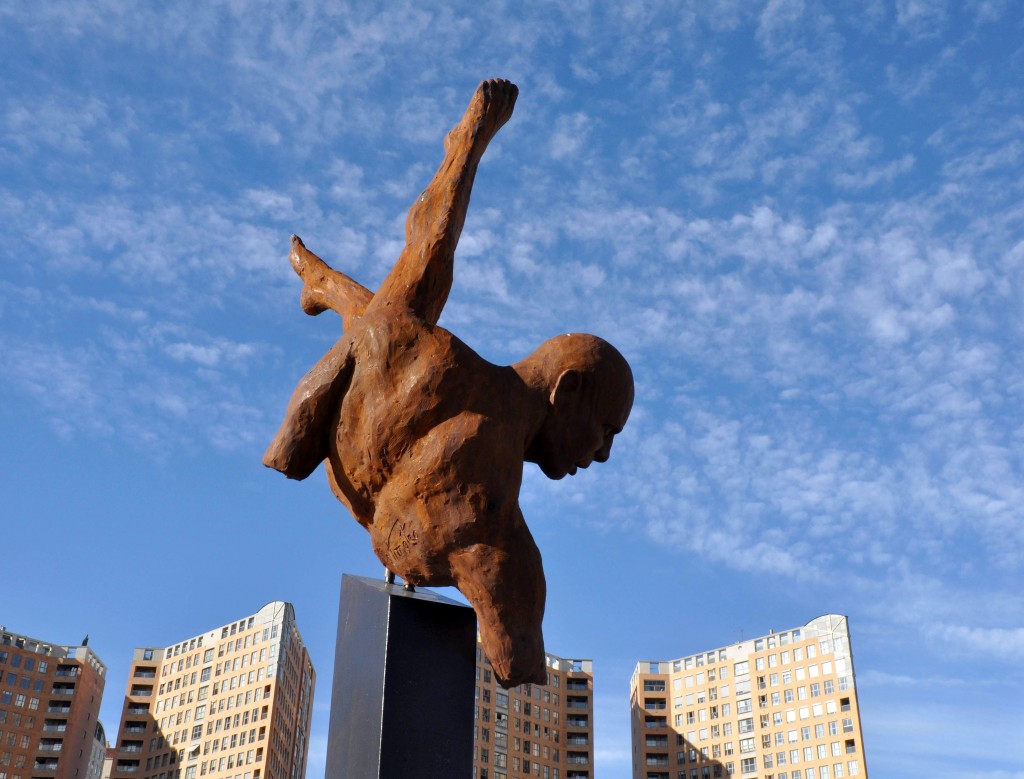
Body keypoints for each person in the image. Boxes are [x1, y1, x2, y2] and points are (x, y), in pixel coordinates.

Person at [264, 79, 633, 686]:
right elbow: (431, 239)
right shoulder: (502, 527)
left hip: (367, 425)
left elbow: (424, 249)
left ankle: (324, 284)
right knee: (402, 303)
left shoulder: (428, 359)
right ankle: (330, 281)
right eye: (606, 430)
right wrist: (470, 143)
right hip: (391, 466)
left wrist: (469, 146)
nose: (603, 454)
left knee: (394, 313)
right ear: (566, 392)